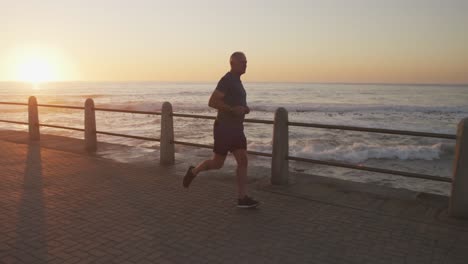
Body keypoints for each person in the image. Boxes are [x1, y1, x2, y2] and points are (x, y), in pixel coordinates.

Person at [183, 51, 260, 208]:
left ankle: (242, 198)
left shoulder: (238, 81)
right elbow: (212, 101)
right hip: (224, 128)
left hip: (237, 129)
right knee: (217, 163)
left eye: (246, 62)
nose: (246, 64)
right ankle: (194, 171)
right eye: (243, 62)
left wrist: (245, 109)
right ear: (233, 63)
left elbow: (237, 105)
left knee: (243, 160)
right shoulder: (227, 80)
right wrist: (232, 110)